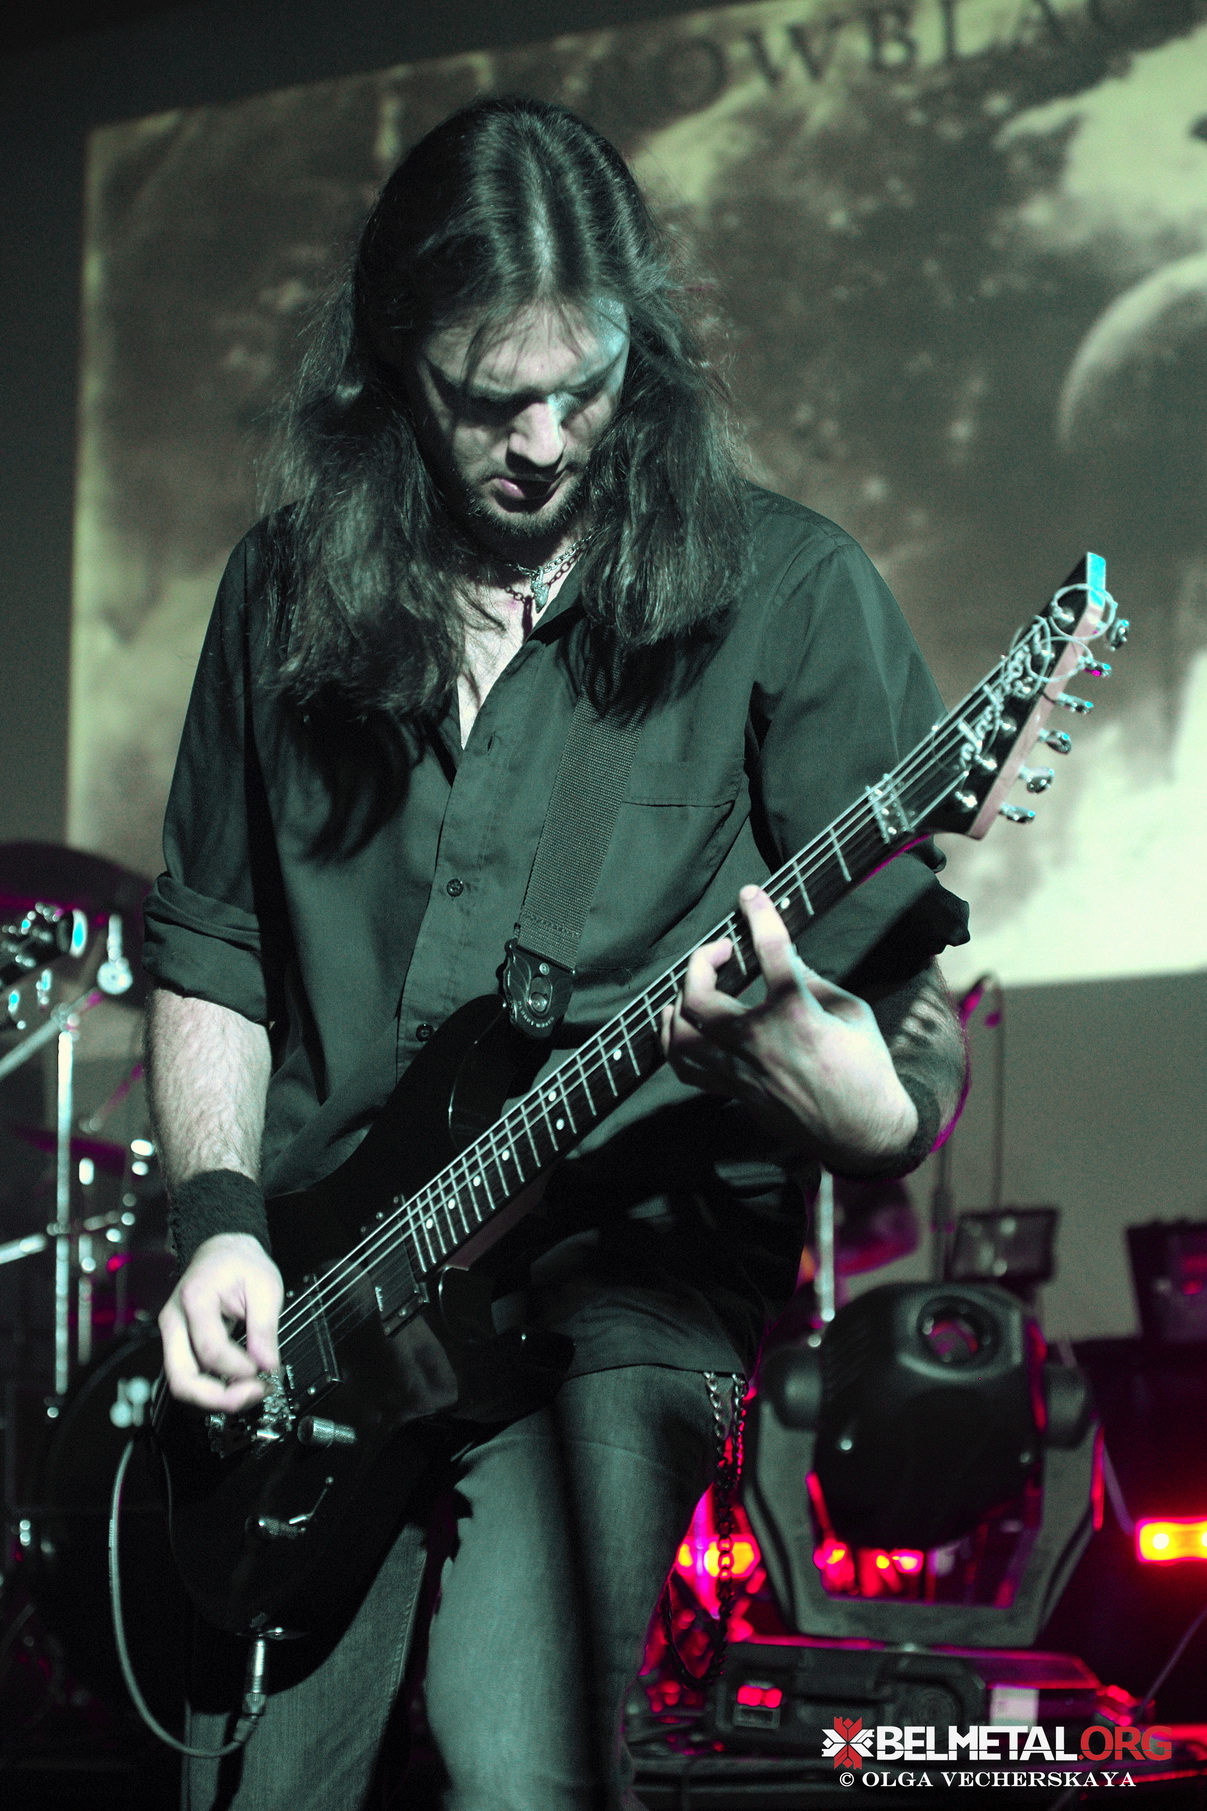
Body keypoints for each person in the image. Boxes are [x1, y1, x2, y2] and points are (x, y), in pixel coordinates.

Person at [144, 97, 969, 1811]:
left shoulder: (789, 595)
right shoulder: (282, 596)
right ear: (393, 365)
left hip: (621, 1287)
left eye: (580, 390)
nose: (540, 442)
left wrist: (860, 1107)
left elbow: (911, 1030)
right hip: (325, 1298)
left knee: (518, 1767)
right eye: (484, 399)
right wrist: (219, 1217)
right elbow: (214, 945)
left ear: (635, 347)